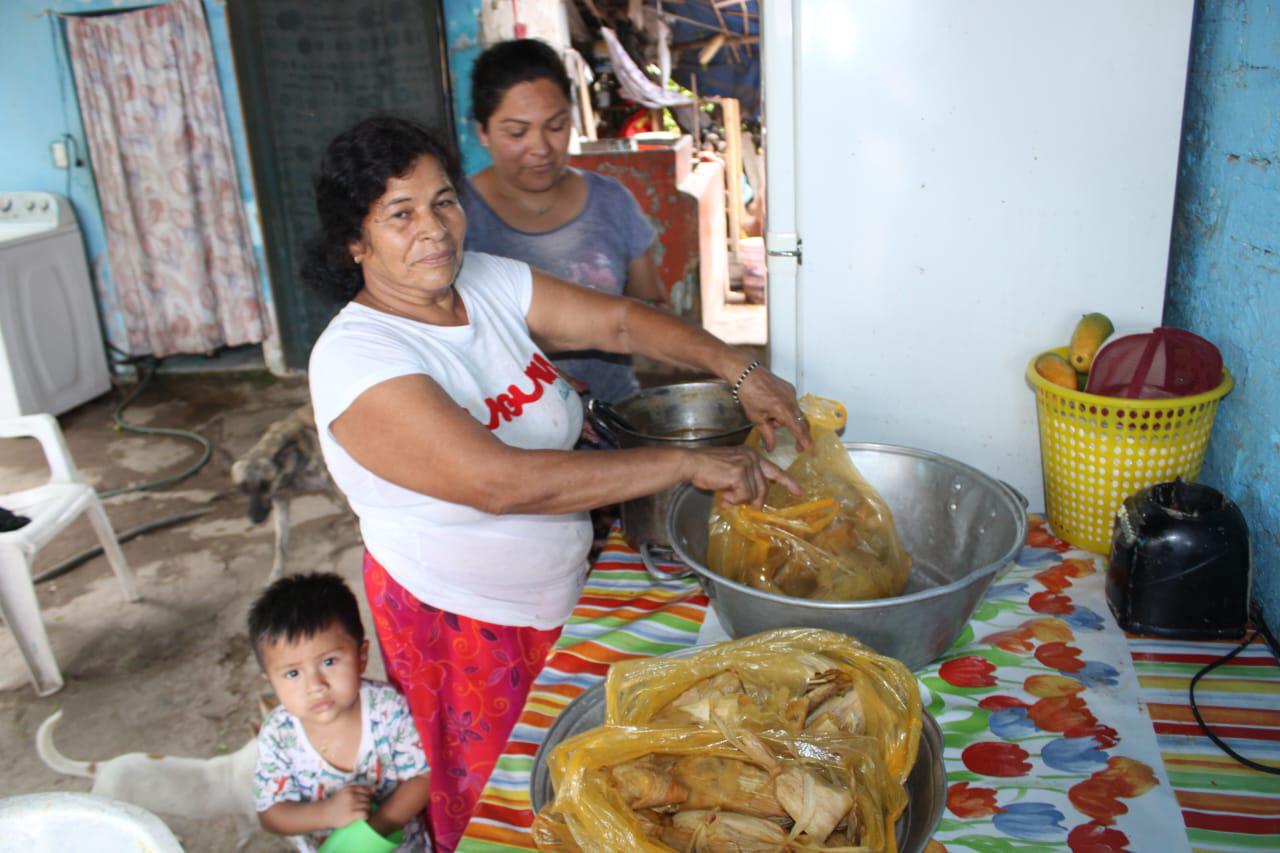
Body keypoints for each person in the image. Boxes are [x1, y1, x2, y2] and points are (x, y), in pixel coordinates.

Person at [302, 114, 810, 850]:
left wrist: (740, 369)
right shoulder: (358, 357)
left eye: (444, 200)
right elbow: (499, 482)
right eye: (400, 214)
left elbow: (623, 325)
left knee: (588, 785)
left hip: (558, 590)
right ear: (355, 241)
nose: (435, 229)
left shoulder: (483, 282)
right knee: (509, 816)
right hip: (465, 622)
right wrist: (684, 460)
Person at [460, 38, 664, 405]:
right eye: (517, 132)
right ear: (483, 132)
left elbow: (652, 307)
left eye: (555, 126)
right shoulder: (455, 217)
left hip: (615, 419)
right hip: (509, 437)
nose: (540, 148)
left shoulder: (612, 203)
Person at [250, 573, 431, 852]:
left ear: (361, 656)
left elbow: (423, 778)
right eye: (293, 673)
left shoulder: (387, 709)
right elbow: (271, 815)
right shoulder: (277, 735)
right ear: (270, 681)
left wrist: (374, 828)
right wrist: (326, 813)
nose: (315, 686)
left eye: (329, 661)